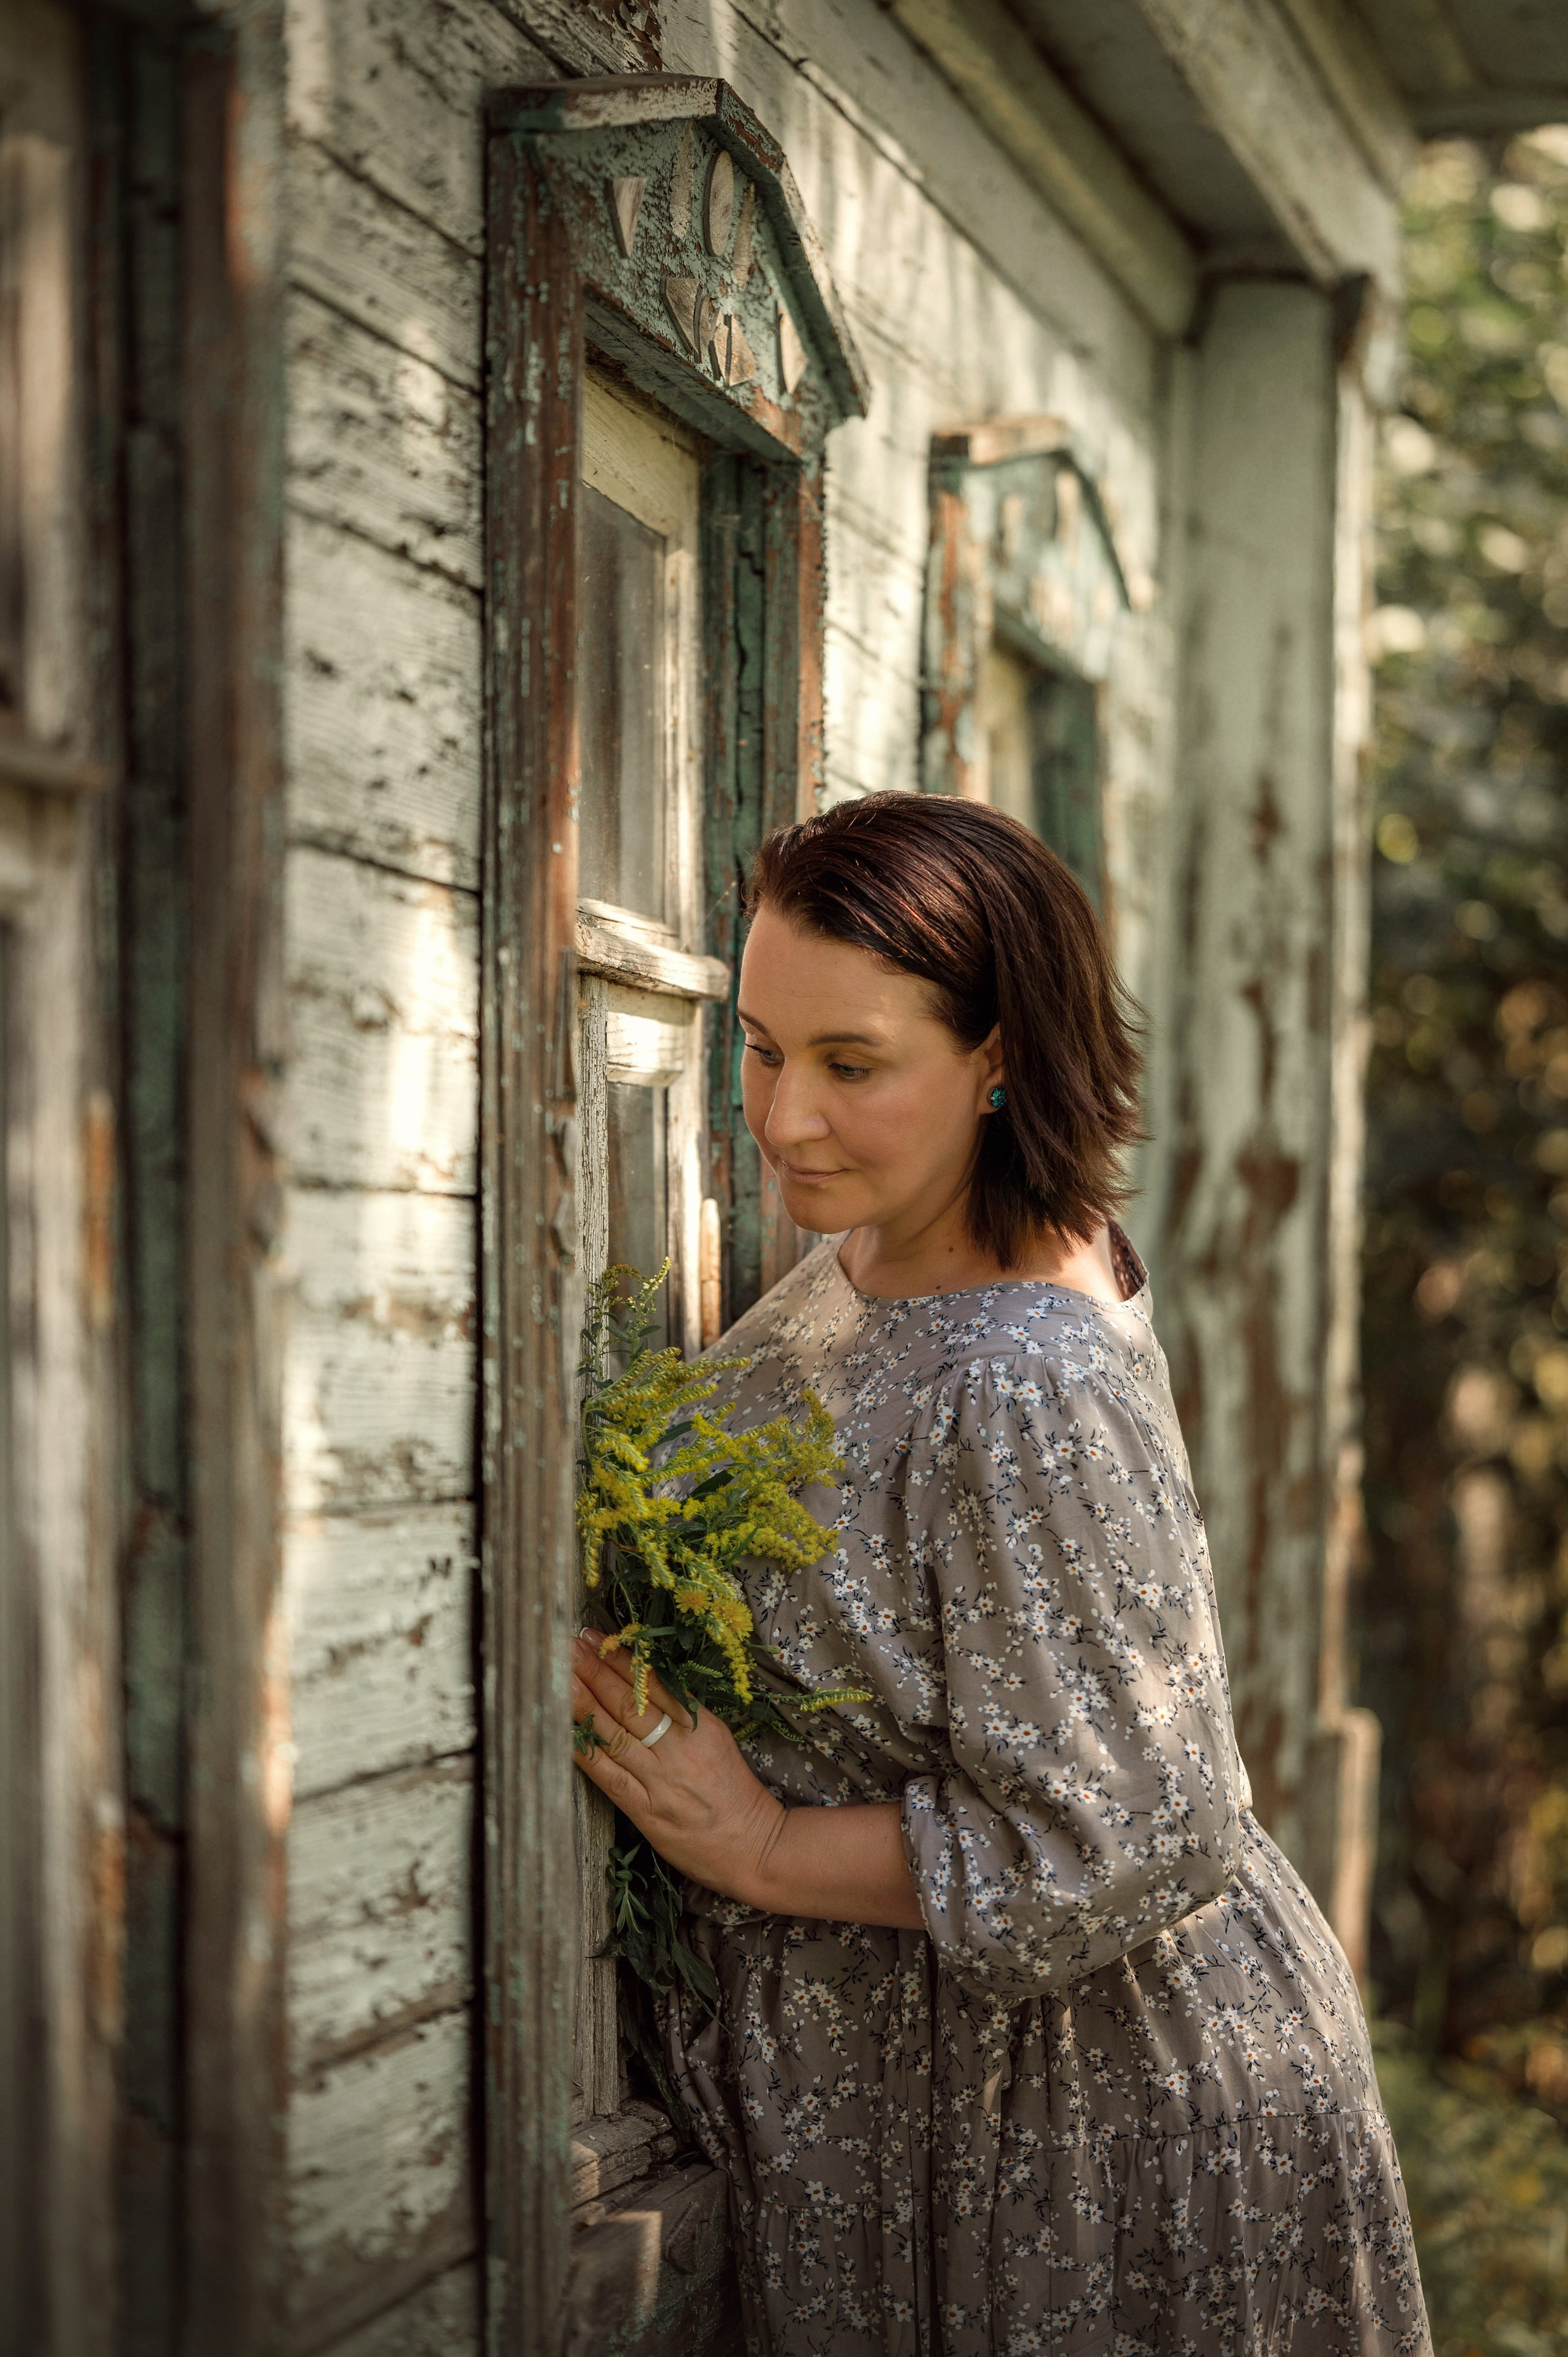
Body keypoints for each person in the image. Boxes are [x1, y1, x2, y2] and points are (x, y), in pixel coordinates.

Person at [570, 792, 1431, 2356]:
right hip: (933, 2099)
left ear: (998, 1060)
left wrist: (757, 1841)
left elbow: (1131, 1831)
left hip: (1076, 2129)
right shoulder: (900, 1241)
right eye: (761, 1046)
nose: (780, 1117)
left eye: (851, 1066)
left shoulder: (1021, 1376)